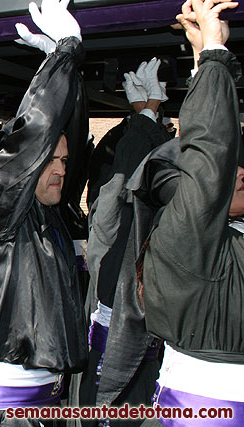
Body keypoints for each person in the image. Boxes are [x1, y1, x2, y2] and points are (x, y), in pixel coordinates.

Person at [0, 1, 88, 426]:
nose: (62, 169)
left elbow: (69, 130)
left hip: (48, 404)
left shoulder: (50, 218)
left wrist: (59, 69)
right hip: (4, 413)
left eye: (65, 161)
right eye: (51, 160)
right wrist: (66, 52)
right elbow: (33, 136)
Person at [141, 0, 244, 424]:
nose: (238, 172)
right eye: (229, 169)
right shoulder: (188, 242)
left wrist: (206, 62)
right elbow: (209, 151)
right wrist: (214, 59)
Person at [78, 59, 172, 426]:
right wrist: (145, 116)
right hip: (115, 345)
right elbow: (133, 172)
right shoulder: (119, 211)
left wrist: (147, 115)